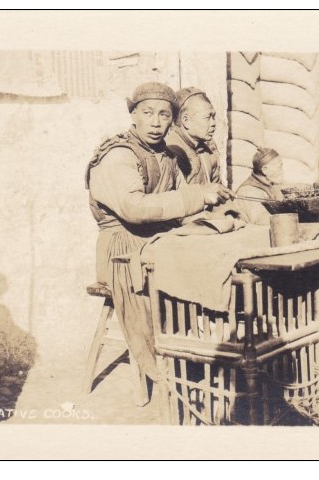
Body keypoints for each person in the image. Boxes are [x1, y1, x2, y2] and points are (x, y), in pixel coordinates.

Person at [85, 81, 234, 382]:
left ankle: (194, 352)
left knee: (208, 252)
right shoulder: (118, 155)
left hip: (155, 240)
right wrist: (197, 196)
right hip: (122, 249)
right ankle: (166, 365)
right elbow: (134, 208)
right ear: (134, 115)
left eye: (164, 115)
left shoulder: (164, 155)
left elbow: (183, 197)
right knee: (163, 279)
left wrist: (214, 204)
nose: (156, 122)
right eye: (148, 113)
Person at [164, 87, 221, 185]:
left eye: (213, 117)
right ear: (186, 121)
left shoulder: (207, 150)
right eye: (207, 118)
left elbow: (218, 189)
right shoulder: (171, 153)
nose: (213, 123)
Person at [235, 147, 285, 225]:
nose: (282, 171)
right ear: (264, 169)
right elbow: (262, 220)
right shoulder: (248, 191)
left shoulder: (271, 184)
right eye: (279, 167)